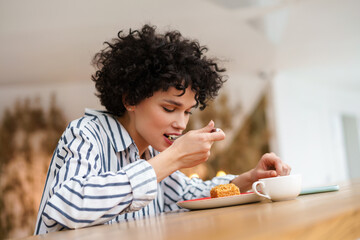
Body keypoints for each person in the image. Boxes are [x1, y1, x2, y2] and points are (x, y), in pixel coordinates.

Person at [34, 24, 291, 235]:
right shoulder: (86, 134)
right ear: (130, 99)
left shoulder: (153, 152)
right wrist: (174, 157)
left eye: (188, 111)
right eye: (170, 108)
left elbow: (186, 195)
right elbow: (65, 206)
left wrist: (249, 179)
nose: (181, 123)